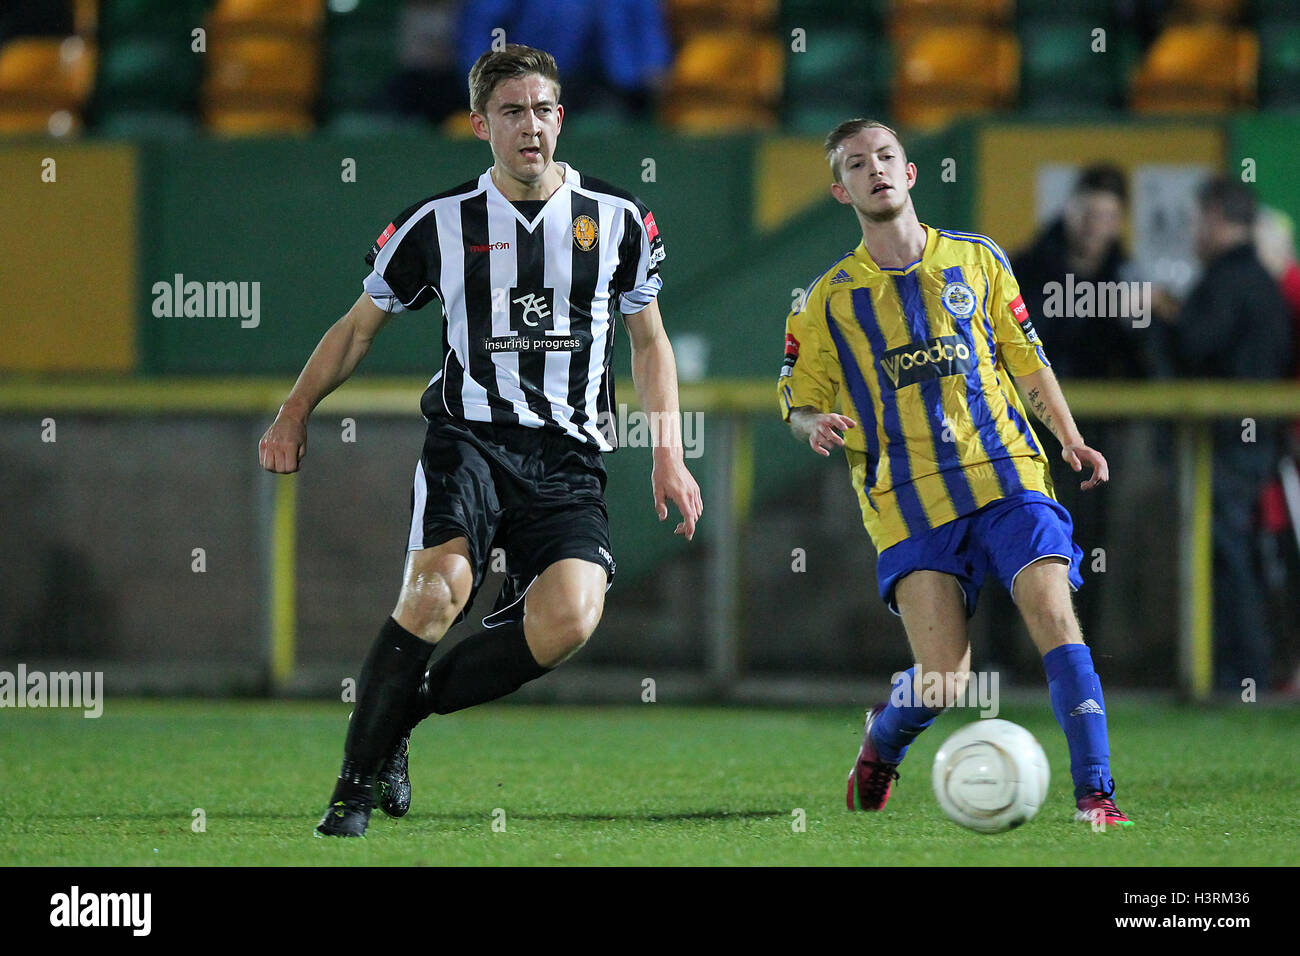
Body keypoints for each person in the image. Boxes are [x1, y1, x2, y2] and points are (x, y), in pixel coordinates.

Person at [259, 44, 702, 837]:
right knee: (435, 594)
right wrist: (295, 412)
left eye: (542, 110)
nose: (530, 126)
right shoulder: (439, 222)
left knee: (571, 617)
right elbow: (359, 329)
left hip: (568, 458)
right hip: (469, 442)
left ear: (560, 119)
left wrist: (668, 450)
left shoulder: (619, 218)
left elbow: (650, 343)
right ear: (479, 124)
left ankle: (402, 718)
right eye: (511, 112)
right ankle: (351, 794)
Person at [777, 119, 1132, 827]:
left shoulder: (978, 259)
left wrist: (1069, 437)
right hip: (907, 500)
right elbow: (796, 398)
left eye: (885, 157)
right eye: (855, 164)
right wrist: (810, 423)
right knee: (944, 679)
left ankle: (1097, 795)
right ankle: (881, 743)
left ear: (909, 173)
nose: (873, 169)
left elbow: (1025, 355)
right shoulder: (825, 301)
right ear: (840, 189)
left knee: (1056, 618)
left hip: (1008, 474)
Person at [1161, 178, 1294, 692]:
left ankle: (1239, 673)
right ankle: (1244, 671)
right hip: (1256, 439)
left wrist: (1161, 315)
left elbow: (1195, 346)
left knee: (1225, 553)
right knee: (1236, 551)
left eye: (1198, 219)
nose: (1194, 231)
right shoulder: (1260, 278)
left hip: (1228, 442)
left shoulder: (1229, 278)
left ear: (1216, 216)